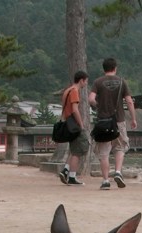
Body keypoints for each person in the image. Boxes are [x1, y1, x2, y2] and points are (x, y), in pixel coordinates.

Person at [88, 57, 137, 190]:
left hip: (103, 121)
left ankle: (105, 181)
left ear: (104, 69)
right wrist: (133, 118)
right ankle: (118, 172)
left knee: (104, 152)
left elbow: (91, 99)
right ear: (115, 68)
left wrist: (98, 105)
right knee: (120, 147)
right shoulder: (122, 82)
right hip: (119, 120)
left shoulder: (98, 82)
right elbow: (129, 101)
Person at [57, 71, 90, 186]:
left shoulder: (67, 90)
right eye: (86, 81)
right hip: (74, 124)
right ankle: (71, 176)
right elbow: (75, 109)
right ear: (81, 80)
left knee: (74, 149)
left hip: (67, 122)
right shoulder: (75, 91)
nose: (86, 84)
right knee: (79, 150)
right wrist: (81, 124)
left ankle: (66, 170)